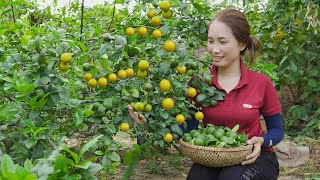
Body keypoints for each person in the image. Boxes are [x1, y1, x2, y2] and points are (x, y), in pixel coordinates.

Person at [128, 8, 284, 180]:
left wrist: (261, 141)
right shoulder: (198, 85)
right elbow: (189, 129)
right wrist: (151, 123)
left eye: (222, 42)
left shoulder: (261, 83)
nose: (214, 49)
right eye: (210, 41)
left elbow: (277, 130)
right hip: (214, 157)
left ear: (242, 44)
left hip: (256, 156)